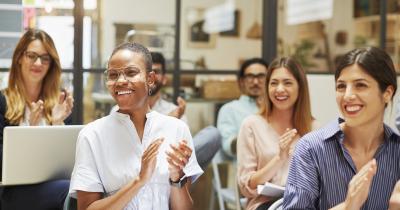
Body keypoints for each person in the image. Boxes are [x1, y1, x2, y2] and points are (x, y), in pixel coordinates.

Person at [69, 42, 203, 210]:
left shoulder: (176, 129)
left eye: (131, 72)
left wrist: (176, 179)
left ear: (151, 79)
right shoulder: (92, 135)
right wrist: (139, 181)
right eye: (112, 75)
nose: (120, 81)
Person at [283, 46, 400, 210]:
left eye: (360, 85)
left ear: (387, 93)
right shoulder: (311, 148)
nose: (347, 96)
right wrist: (347, 207)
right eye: (341, 86)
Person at [0, 28, 74, 210]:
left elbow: (70, 159)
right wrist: (29, 131)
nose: (38, 63)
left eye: (45, 58)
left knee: (83, 187)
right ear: (19, 57)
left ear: (51, 64)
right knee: (70, 190)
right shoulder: (2, 101)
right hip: (13, 190)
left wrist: (57, 124)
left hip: (56, 183)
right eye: (31, 55)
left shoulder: (60, 103)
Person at [237, 57, 317, 210]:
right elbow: (246, 186)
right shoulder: (251, 125)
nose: (279, 89)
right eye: (274, 83)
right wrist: (279, 158)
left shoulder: (314, 128)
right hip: (265, 205)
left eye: (287, 83)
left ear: (300, 87)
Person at [217, 58, 268, 158]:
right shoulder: (229, 109)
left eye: (261, 76)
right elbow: (228, 146)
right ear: (241, 81)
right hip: (244, 169)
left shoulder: (277, 107)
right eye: (250, 77)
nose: (256, 82)